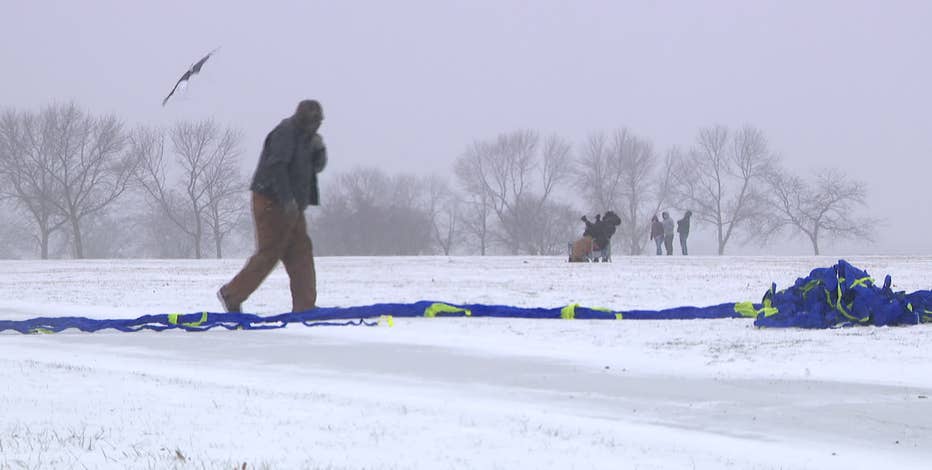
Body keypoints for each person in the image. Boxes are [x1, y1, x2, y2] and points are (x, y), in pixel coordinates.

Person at [217, 100, 328, 313]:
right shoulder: (285, 133)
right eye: (315, 121)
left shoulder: (308, 139)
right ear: (304, 119)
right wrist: (287, 200)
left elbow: (317, 167)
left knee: (300, 252)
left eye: (319, 121)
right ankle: (231, 294)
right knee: (270, 252)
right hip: (271, 201)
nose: (318, 125)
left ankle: (305, 306)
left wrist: (319, 150)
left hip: (293, 205)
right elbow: (276, 167)